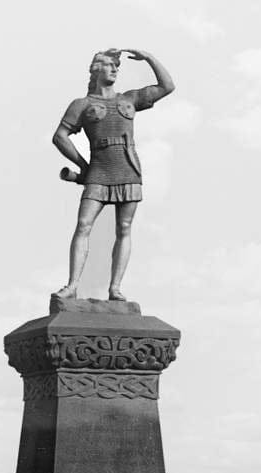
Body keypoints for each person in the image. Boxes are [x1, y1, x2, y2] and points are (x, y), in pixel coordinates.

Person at [52, 48, 175, 301]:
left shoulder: (128, 99)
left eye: (116, 66)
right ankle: (73, 285)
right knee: (84, 224)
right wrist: (83, 166)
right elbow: (60, 137)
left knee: (125, 227)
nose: (115, 69)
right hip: (99, 169)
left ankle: (115, 288)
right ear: (97, 69)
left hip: (128, 168)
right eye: (109, 65)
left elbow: (167, 86)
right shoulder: (82, 105)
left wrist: (149, 57)